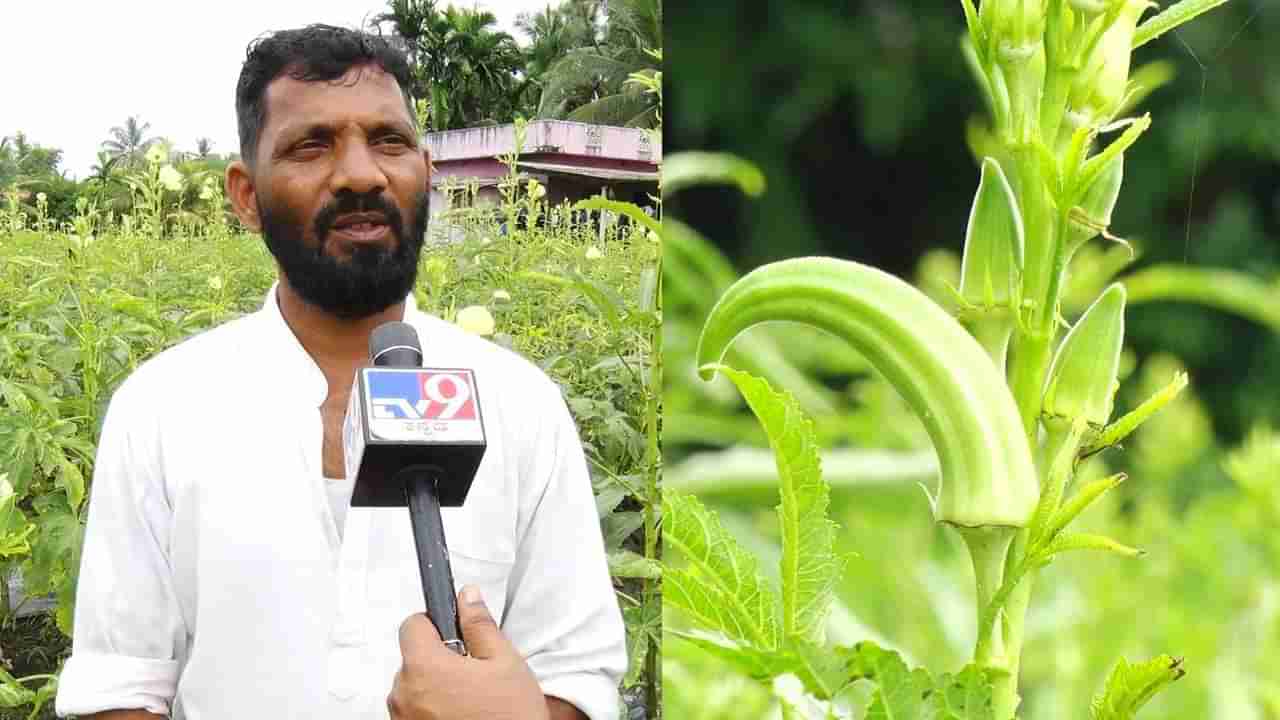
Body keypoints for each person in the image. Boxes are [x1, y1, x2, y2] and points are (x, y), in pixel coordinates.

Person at [53, 24, 626, 720]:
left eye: (388, 141)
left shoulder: (523, 405)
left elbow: (578, 676)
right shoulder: (161, 408)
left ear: (425, 171)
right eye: (310, 145)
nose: (361, 173)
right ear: (246, 194)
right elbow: (120, 687)